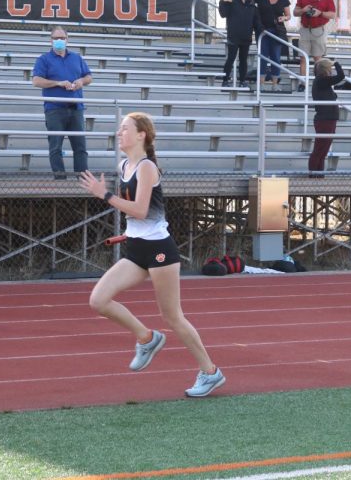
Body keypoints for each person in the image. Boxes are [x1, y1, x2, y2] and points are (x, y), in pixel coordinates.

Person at [78, 112, 226, 398]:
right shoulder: (124, 166)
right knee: (98, 300)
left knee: (173, 316)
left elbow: (141, 210)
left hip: (159, 250)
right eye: (119, 129)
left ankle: (210, 372)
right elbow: (136, 217)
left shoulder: (146, 167)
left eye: (124, 129)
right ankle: (147, 338)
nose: (119, 133)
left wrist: (104, 194)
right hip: (136, 248)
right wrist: (126, 229)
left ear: (141, 135)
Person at [31, 26, 93, 178]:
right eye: (55, 38)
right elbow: (36, 81)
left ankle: (83, 179)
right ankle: (60, 180)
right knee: (55, 147)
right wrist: (57, 83)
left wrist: (81, 81)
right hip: (55, 109)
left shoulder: (77, 58)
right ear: (50, 40)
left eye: (62, 38)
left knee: (80, 147)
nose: (59, 41)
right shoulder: (43, 59)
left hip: (76, 108)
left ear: (67, 39)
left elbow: (89, 77)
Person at [293, 0, 336, 91]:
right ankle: (303, 83)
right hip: (305, 29)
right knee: (303, 57)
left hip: (319, 29)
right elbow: (295, 12)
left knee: (318, 58)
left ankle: (320, 83)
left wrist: (320, 13)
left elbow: (332, 14)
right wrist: (303, 10)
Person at [218, 0, 261, 88]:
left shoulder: (251, 5)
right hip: (233, 36)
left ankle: (242, 81)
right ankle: (225, 80)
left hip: (246, 37)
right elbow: (223, 14)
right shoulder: (231, 1)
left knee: (243, 60)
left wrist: (261, 31)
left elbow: (256, 22)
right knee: (231, 58)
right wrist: (222, 2)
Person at [308, 59, 347, 175]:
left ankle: (319, 174)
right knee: (319, 149)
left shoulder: (322, 82)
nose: (331, 71)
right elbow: (341, 76)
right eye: (330, 69)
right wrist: (336, 64)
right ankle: (314, 174)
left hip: (328, 119)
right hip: (324, 119)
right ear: (326, 70)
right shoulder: (320, 80)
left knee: (323, 150)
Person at [252, 0, 292, 86]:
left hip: (277, 31)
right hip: (262, 31)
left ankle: (275, 84)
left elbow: (288, 15)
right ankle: (261, 84)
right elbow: (249, 4)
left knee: (275, 56)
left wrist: (283, 18)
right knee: (263, 56)